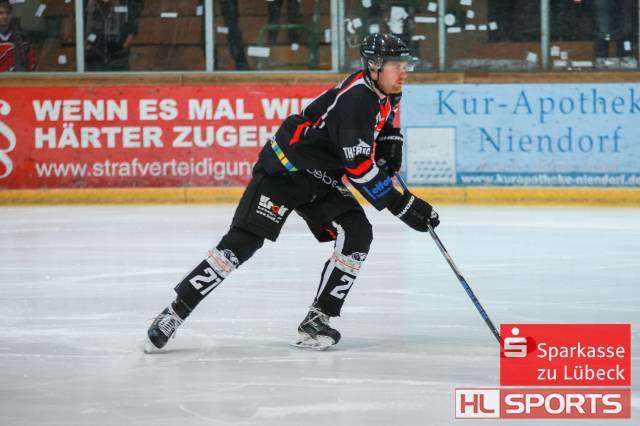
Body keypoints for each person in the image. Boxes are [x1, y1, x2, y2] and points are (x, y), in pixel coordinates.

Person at [145, 33, 440, 352]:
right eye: (397, 66)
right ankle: (174, 312)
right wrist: (403, 204)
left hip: (321, 177)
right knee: (241, 244)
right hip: (284, 171)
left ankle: (317, 320)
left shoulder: (388, 91)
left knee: (357, 234)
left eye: (405, 65)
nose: (403, 72)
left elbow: (384, 121)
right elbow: (358, 168)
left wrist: (390, 140)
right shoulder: (357, 99)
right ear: (374, 66)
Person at [85, 0, 142, 71]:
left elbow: (132, 31)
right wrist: (88, 46)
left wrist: (121, 50)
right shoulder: (92, 5)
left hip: (118, 61)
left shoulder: (125, 4)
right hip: (95, 61)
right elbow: (89, 31)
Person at [0, 0, 36, 72]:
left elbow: (30, 64)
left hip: (17, 77)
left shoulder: (22, 36)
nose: (5, 16)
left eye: (8, 13)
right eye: (1, 13)